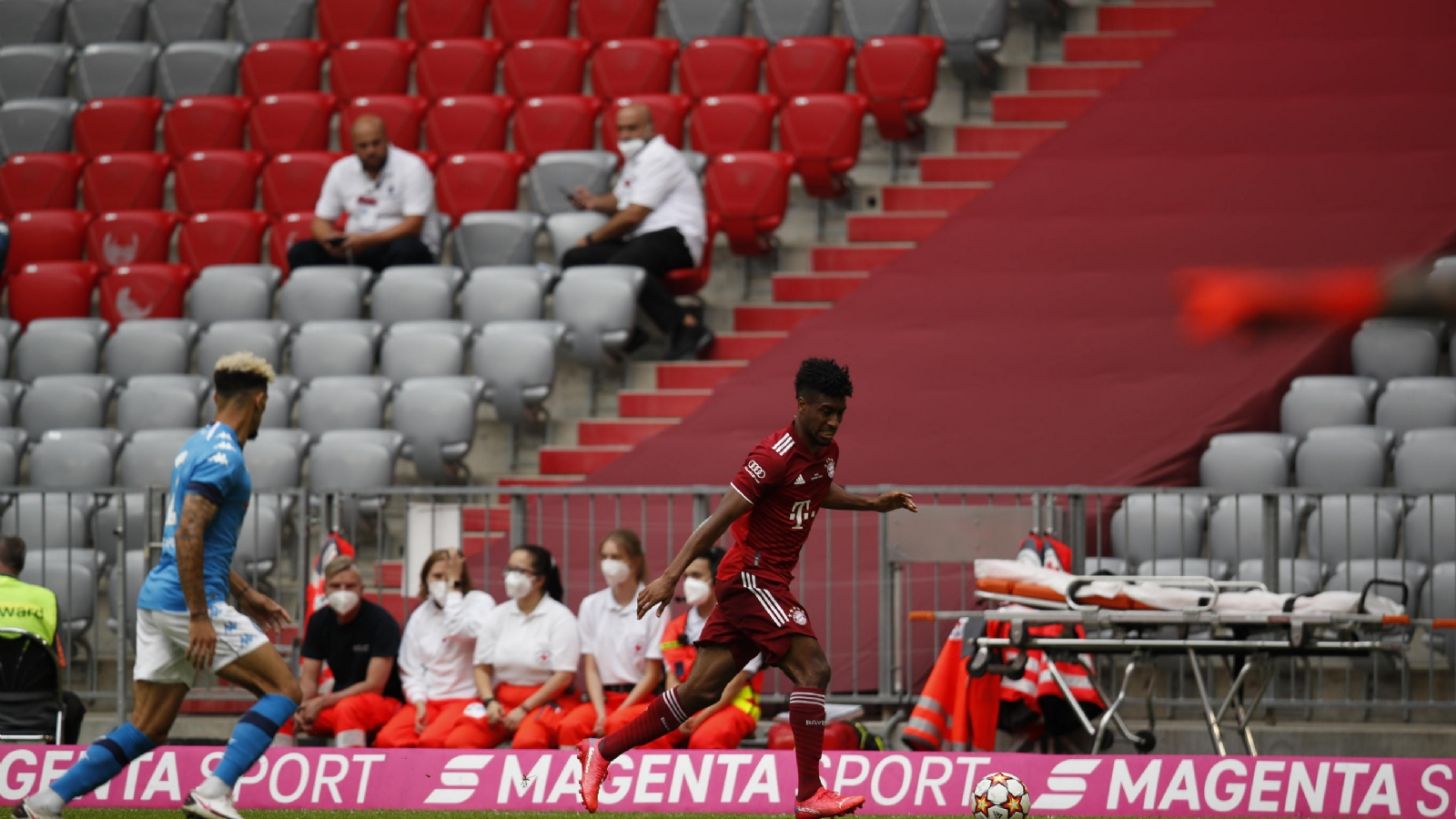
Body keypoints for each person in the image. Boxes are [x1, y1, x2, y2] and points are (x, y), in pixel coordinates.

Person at [577, 358, 918, 818]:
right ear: (801, 404)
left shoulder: (826, 451)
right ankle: (809, 794)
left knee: (699, 692)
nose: (833, 421)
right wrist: (671, 576)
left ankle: (601, 751)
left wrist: (872, 505)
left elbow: (817, 489)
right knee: (813, 669)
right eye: (825, 411)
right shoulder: (771, 456)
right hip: (751, 577)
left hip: (763, 580)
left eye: (840, 413)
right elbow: (718, 519)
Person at [15, 352, 299, 819]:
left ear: (216, 397)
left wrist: (245, 593)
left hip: (159, 597)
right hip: (187, 602)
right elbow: (188, 532)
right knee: (284, 690)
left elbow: (194, 536)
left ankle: (45, 802)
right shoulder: (225, 457)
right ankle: (215, 791)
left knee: (148, 726)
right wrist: (200, 615)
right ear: (260, 401)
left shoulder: (196, 445)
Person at [561, 103, 713, 361]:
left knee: (624, 265)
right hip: (643, 240)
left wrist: (591, 238)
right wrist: (593, 202)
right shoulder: (635, 160)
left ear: (650, 128)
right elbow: (621, 200)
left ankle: (686, 326)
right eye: (620, 129)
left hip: (677, 238)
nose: (625, 135)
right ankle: (630, 333)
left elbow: (634, 214)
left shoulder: (661, 157)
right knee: (575, 259)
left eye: (632, 128)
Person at [607, 546, 762, 750]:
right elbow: (672, 679)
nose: (689, 582)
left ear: (718, 578)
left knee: (706, 739)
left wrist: (699, 717)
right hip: (685, 706)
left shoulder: (743, 625)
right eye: (686, 576)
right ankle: (660, 770)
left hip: (729, 706)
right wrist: (677, 715)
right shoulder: (676, 628)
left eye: (696, 576)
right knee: (620, 723)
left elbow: (733, 685)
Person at [444, 545, 578, 749]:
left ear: (539, 579)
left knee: (529, 742)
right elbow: (481, 667)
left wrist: (524, 708)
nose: (511, 576)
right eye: (509, 569)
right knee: (459, 740)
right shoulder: (497, 615)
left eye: (520, 570)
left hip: (543, 701)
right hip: (501, 701)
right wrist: (489, 702)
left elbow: (563, 676)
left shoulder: (560, 617)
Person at [275, 557, 403, 748]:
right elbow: (309, 680)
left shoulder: (381, 622)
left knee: (348, 709)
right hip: (337, 703)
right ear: (325, 589)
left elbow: (374, 685)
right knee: (281, 711)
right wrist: (301, 707)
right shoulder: (319, 620)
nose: (343, 592)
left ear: (361, 589)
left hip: (383, 703)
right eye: (335, 586)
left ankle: (350, 765)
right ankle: (280, 764)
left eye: (350, 586)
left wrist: (321, 702)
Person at [286, 114, 439, 273]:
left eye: (376, 143)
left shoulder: (412, 167)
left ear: (387, 140)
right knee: (302, 252)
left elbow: (413, 226)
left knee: (406, 249)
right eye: (363, 146)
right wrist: (328, 240)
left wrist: (366, 241)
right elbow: (320, 222)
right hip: (355, 248)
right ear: (354, 147)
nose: (370, 151)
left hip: (394, 245)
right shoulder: (341, 170)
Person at [374, 549, 495, 748]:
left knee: (431, 741)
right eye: (437, 577)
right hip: (429, 700)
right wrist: (419, 700)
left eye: (449, 576)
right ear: (426, 580)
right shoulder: (420, 615)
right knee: (387, 740)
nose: (444, 582)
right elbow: (410, 668)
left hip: (466, 699)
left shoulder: (480, 602)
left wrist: (454, 590)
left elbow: (458, 630)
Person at [557, 530, 665, 748]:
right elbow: (591, 668)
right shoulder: (591, 605)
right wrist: (600, 712)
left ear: (634, 562)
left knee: (618, 724)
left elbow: (652, 674)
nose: (608, 563)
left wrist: (620, 710)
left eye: (615, 557)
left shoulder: (654, 606)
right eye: (604, 557)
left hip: (639, 698)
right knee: (570, 726)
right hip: (602, 699)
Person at [0, 536, 85, 744]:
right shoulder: (45, 598)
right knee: (73, 706)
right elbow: (59, 662)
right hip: (39, 708)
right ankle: (58, 761)